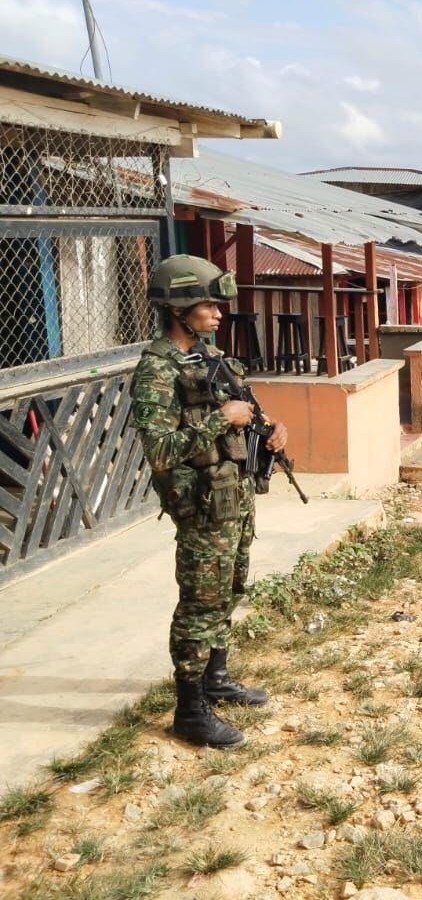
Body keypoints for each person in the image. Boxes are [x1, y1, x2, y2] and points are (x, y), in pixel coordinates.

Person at [130, 255, 282, 748]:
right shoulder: (156, 371)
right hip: (200, 506)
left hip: (232, 497)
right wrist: (222, 420)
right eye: (206, 305)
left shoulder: (207, 358)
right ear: (177, 308)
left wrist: (270, 427)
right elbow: (159, 451)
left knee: (230, 587)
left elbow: (247, 414)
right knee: (200, 603)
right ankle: (190, 711)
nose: (217, 314)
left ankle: (216, 678)